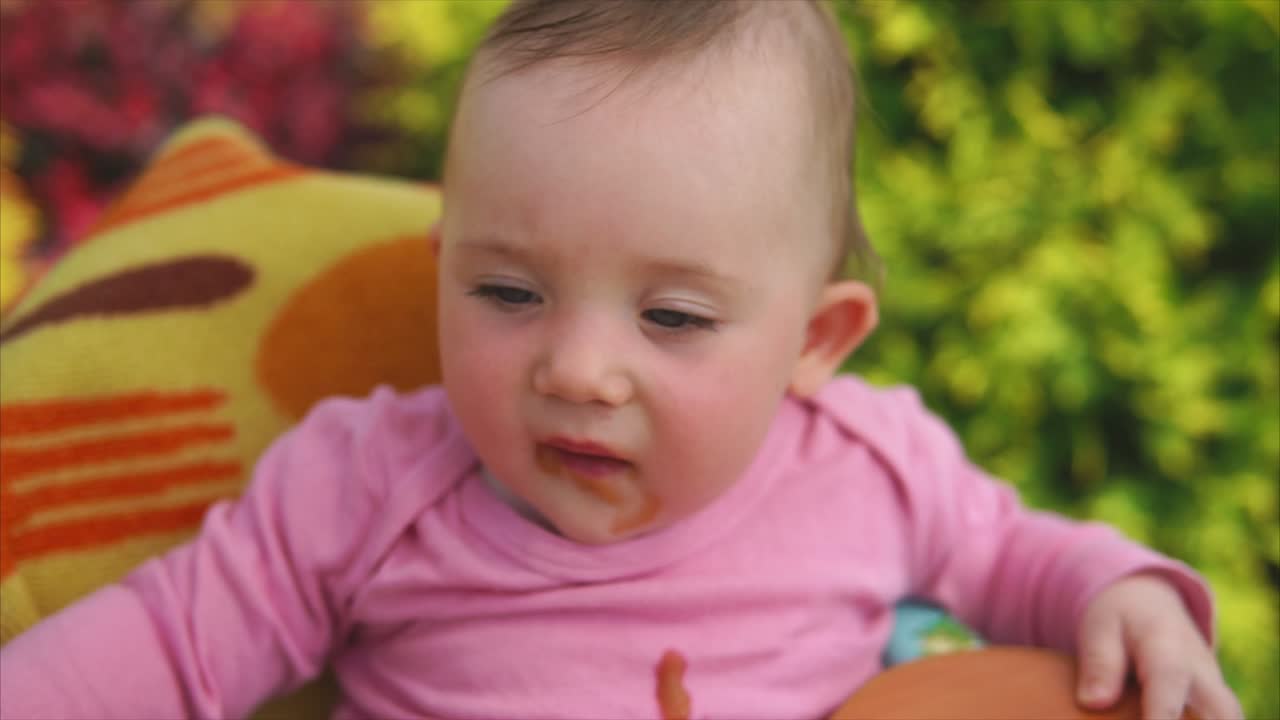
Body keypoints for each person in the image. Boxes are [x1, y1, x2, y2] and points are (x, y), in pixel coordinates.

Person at [0, 2, 1244, 719]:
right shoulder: (370, 484)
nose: (579, 370)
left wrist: (1119, 591)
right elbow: (168, 644)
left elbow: (1014, 549)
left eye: (674, 318)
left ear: (813, 342)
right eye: (505, 291)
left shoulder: (869, 462)